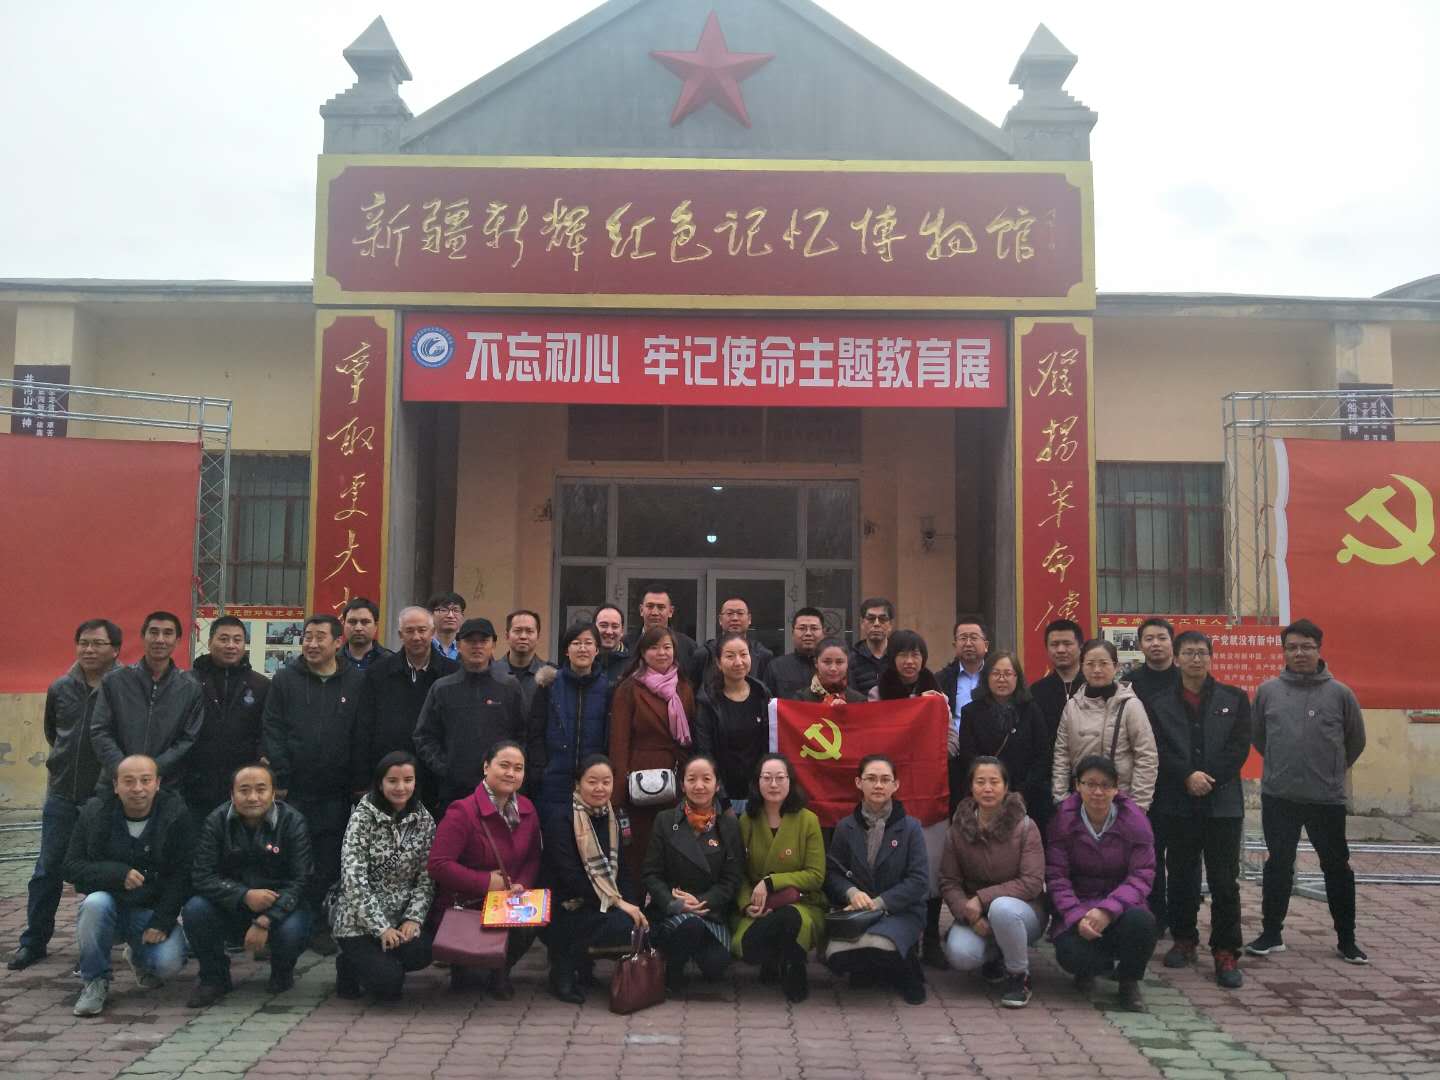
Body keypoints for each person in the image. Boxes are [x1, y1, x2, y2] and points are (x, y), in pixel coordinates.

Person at [1248, 618, 1368, 964]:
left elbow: (1355, 741)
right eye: (1292, 647)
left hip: (1326, 798)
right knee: (1278, 865)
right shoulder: (1268, 691)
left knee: (1336, 867)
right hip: (1279, 796)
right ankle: (1271, 934)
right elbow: (1259, 738)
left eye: (1306, 647)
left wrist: (1331, 771)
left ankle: (1347, 939)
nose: (1299, 653)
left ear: (1319, 649)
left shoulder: (1340, 694)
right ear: (1283, 652)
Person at [9, 618, 121, 972]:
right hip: (61, 794)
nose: (89, 649)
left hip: (103, 798)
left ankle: (96, 947)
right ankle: (34, 941)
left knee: (98, 874)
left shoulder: (123, 687)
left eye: (97, 643)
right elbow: (53, 733)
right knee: (47, 870)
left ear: (115, 650)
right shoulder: (60, 687)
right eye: (83, 643)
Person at [261, 613, 367, 956]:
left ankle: (319, 926)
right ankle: (284, 922)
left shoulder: (356, 681)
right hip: (293, 789)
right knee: (288, 855)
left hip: (337, 790)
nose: (312, 643)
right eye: (307, 636)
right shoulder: (285, 679)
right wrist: (281, 776)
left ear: (338, 642)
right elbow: (272, 728)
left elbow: (362, 732)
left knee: (328, 859)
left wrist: (358, 781)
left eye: (320, 637)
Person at [1150, 631, 1251, 988]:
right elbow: (1158, 748)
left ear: (1211, 657)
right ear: (1176, 659)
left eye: (1202, 653)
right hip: (1177, 802)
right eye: (1189, 653)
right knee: (1180, 874)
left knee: (1224, 880)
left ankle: (1225, 950)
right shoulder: (1159, 703)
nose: (1196, 659)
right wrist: (1186, 776)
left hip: (1222, 803)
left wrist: (1208, 778)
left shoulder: (1234, 699)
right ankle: (1184, 939)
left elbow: (1239, 747)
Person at [64, 755, 193, 1017]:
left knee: (169, 963)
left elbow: (182, 875)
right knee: (94, 904)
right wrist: (116, 873)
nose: (137, 789)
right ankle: (94, 981)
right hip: (106, 908)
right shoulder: (95, 812)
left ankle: (138, 957)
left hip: (148, 912)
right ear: (115, 785)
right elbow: (70, 866)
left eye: (145, 780)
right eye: (129, 781)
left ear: (158, 783)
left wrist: (162, 921)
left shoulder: (176, 815)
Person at [184, 763, 314, 1007]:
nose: (253, 797)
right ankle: (214, 977)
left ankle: (282, 972)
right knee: (195, 909)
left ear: (273, 793)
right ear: (232, 794)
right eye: (244, 790)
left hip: (281, 905)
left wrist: (267, 919)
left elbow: (301, 880)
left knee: (292, 930)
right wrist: (243, 895)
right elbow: (202, 876)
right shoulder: (216, 821)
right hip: (231, 904)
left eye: (261, 789)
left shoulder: (293, 821)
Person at [427, 740, 541, 997]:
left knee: (534, 917)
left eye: (518, 768)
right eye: (504, 765)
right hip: (467, 903)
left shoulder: (527, 810)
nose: (511, 773)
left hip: (507, 901)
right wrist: (485, 882)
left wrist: (521, 884)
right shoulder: (462, 811)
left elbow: (533, 857)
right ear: (486, 767)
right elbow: (438, 865)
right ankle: (465, 963)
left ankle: (500, 970)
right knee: (468, 981)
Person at [1047, 755, 1158, 1012]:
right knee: (1070, 953)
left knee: (1142, 923)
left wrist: (1108, 910)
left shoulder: (1135, 821)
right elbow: (1056, 877)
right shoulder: (1062, 821)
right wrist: (1077, 916)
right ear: (1078, 786)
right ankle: (1093, 968)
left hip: (1122, 908)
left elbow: (1142, 875)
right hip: (1079, 906)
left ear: (1116, 788)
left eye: (1105, 785)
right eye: (1090, 784)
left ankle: (1129, 981)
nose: (1097, 792)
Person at [539, 755, 648, 1004]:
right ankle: (562, 971)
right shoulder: (561, 819)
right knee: (619, 924)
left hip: (599, 902)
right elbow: (570, 876)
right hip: (565, 904)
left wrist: (633, 906)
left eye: (606, 782)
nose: (600, 788)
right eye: (592, 782)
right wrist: (618, 903)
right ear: (578, 784)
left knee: (637, 922)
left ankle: (583, 966)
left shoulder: (612, 817)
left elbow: (623, 870)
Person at [869, 629, 949, 968]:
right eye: (903, 654)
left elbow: (951, 744)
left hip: (929, 791)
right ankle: (897, 936)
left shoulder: (937, 694)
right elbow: (871, 740)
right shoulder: (877, 693)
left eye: (916, 654)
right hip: (889, 793)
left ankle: (930, 938)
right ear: (893, 659)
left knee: (930, 866)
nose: (910, 661)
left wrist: (935, 712)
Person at [823, 754, 929, 1005]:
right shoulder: (845, 827)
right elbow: (832, 873)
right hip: (857, 913)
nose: (878, 785)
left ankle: (906, 973)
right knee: (835, 956)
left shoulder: (911, 828)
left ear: (896, 785)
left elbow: (919, 880)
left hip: (900, 911)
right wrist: (850, 892)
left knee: (879, 945)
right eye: (871, 779)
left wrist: (880, 903)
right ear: (859, 783)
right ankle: (875, 967)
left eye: (885, 779)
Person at [939, 757, 1045, 1008]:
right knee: (961, 954)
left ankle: (1019, 976)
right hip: (976, 915)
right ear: (971, 787)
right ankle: (996, 956)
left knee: (1002, 908)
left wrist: (982, 898)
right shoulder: (957, 830)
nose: (987, 788)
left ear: (1006, 787)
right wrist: (970, 915)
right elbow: (949, 882)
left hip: (1023, 912)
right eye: (980, 782)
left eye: (994, 782)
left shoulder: (1025, 827)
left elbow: (1032, 882)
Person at [331, 752, 436, 1001]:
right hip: (358, 922)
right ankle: (349, 964)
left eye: (408, 780)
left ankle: (380, 963)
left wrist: (413, 918)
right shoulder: (362, 818)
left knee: (425, 951)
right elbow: (354, 880)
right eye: (392, 781)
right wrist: (381, 928)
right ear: (380, 783)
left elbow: (426, 878)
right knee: (388, 985)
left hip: (399, 919)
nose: (401, 787)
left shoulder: (424, 820)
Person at [642, 754, 744, 991]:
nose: (699, 786)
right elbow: (651, 874)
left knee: (716, 965)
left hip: (710, 910)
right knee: (689, 927)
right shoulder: (665, 820)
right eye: (692, 779)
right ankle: (673, 970)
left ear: (717, 785)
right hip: (671, 911)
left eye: (706, 779)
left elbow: (732, 878)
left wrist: (701, 901)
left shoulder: (729, 825)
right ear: (682, 785)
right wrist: (675, 903)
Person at [732, 754, 825, 1003]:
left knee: (791, 917)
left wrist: (771, 881)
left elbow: (815, 876)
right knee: (749, 948)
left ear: (790, 782)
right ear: (757, 782)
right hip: (760, 907)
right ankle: (774, 957)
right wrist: (746, 904)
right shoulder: (747, 820)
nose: (773, 784)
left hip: (801, 903)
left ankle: (795, 966)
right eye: (767, 778)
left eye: (780, 778)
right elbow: (738, 873)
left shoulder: (808, 820)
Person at [609, 625, 697, 876]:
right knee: (641, 848)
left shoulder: (684, 687)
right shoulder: (629, 688)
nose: (662, 653)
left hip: (676, 775)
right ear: (642, 652)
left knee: (673, 845)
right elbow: (619, 742)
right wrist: (618, 792)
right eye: (654, 648)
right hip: (639, 780)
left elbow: (691, 736)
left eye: (667, 647)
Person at [414, 617, 527, 810]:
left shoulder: (509, 686)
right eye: (470, 641)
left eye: (483, 640)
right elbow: (423, 736)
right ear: (459, 645)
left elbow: (524, 733)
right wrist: (445, 768)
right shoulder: (442, 688)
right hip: (454, 792)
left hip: (501, 791)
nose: (477, 646)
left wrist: (510, 769)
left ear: (494, 644)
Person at [357, 606, 458, 812]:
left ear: (432, 632)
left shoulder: (452, 673)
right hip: (389, 777)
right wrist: (362, 779)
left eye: (422, 630)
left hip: (436, 779)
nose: (416, 637)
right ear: (400, 634)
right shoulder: (378, 673)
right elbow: (364, 727)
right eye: (410, 631)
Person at [90, 610, 205, 791]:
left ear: (177, 641)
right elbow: (100, 730)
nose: (160, 639)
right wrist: (124, 769)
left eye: (167, 633)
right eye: (153, 632)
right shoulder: (115, 681)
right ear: (143, 637)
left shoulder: (190, 688)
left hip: (166, 786)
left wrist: (152, 770)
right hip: (116, 783)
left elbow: (188, 739)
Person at [1052, 639, 1158, 811]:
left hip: (1121, 801)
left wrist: (1138, 806)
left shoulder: (1130, 705)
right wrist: (1061, 798)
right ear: (1082, 667)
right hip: (1081, 801)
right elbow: (1061, 755)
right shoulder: (1072, 707)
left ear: (1116, 667)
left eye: (1103, 663)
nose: (1097, 670)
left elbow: (1146, 756)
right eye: (1090, 664)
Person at [185, 616, 268, 831]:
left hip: (243, 786)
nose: (231, 645)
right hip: (194, 785)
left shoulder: (261, 685)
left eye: (237, 640)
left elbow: (266, 731)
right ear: (210, 642)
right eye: (224, 639)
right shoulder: (188, 682)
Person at [527, 621, 613, 820]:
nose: (582, 648)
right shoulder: (549, 686)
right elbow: (535, 732)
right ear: (566, 650)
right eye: (576, 643)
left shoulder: (608, 689)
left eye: (588, 643)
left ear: (597, 649)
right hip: (553, 783)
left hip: (594, 784)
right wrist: (541, 769)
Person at [1126, 617, 1180, 933]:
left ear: (1172, 642)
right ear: (1140, 644)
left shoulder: (1186, 679)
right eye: (1149, 639)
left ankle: (1183, 919)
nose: (1155, 644)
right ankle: (1155, 916)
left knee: (1183, 856)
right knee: (1150, 852)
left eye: (1161, 638)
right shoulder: (1130, 684)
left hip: (1181, 782)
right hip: (1146, 782)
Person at [953, 652, 1050, 817]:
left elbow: (1042, 755)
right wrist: (989, 786)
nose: (1002, 679)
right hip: (985, 794)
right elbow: (968, 756)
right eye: (996, 673)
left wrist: (1022, 792)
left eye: (1007, 674)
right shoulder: (971, 712)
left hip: (1026, 797)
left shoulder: (1031, 710)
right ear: (986, 677)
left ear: (1017, 677)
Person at [693, 631, 771, 811]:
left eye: (744, 654)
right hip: (720, 796)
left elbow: (769, 745)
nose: (738, 662)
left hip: (758, 794)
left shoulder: (762, 695)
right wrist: (721, 797)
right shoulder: (707, 701)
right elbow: (705, 752)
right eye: (730, 656)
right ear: (718, 663)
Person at [690, 597, 775, 687]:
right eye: (729, 613)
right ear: (720, 620)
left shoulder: (763, 655)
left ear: (749, 619)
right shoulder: (704, 654)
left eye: (740, 613)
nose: (735, 618)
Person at [625, 586, 698, 677]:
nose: (655, 613)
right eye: (650, 606)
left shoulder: (687, 646)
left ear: (671, 611)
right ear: (641, 610)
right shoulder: (625, 644)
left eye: (661, 607)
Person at [493, 609, 554, 715]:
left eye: (529, 631)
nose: (523, 636)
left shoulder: (550, 676)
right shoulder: (492, 672)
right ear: (507, 636)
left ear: (538, 637)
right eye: (517, 631)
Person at [937, 617, 990, 737]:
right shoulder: (941, 679)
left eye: (974, 638)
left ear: (986, 645)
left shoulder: (995, 677)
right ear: (955, 645)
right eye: (963, 638)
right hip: (954, 745)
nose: (968, 643)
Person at [764, 607, 826, 700]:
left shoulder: (835, 667)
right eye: (802, 628)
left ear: (823, 633)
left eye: (814, 628)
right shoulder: (776, 667)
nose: (808, 633)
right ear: (793, 633)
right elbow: (766, 703)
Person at [796, 638, 866, 704]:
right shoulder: (801, 699)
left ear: (847, 663)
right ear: (816, 663)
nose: (833, 668)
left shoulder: (859, 701)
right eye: (827, 662)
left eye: (839, 662)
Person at [848, 597, 895, 697]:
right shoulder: (850, 659)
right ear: (862, 623)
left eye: (882, 619)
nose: (876, 624)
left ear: (890, 624)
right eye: (871, 619)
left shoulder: (898, 657)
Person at [342, 597, 392, 670]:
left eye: (365, 622)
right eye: (352, 622)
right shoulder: (330, 660)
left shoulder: (392, 661)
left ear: (376, 626)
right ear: (344, 624)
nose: (358, 628)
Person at [593, 604, 631, 684]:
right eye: (603, 626)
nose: (609, 632)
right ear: (593, 628)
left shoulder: (633, 665)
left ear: (622, 631)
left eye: (615, 626)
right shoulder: (582, 660)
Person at [429, 591, 467, 661]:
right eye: (444, 610)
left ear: (462, 616)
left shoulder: (468, 649)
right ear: (431, 614)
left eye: (456, 610)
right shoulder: (423, 646)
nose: (450, 615)